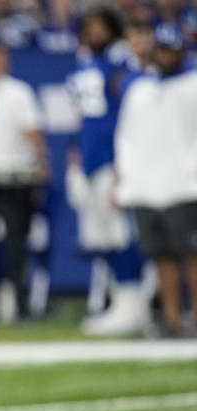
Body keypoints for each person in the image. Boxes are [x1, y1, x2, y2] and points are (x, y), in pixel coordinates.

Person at [66, 6, 145, 336]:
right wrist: (75, 154)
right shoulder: (85, 63)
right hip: (89, 159)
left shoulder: (121, 63)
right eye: (89, 27)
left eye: (100, 26)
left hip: (113, 158)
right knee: (103, 236)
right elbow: (83, 117)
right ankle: (120, 300)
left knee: (122, 234)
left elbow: (128, 116)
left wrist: (123, 163)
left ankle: (134, 301)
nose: (94, 32)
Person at [115, 24, 197, 336]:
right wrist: (126, 177)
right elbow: (126, 136)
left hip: (186, 185)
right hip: (148, 187)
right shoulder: (140, 89)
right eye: (162, 49)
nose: (166, 55)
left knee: (192, 256)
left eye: (172, 49)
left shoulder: (192, 84)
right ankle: (173, 319)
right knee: (161, 255)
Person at [0, 40, 48, 322]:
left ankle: (19, 303)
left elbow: (31, 130)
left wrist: (41, 162)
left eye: (0, 57)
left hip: (15, 174)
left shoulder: (19, 91)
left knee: (15, 244)